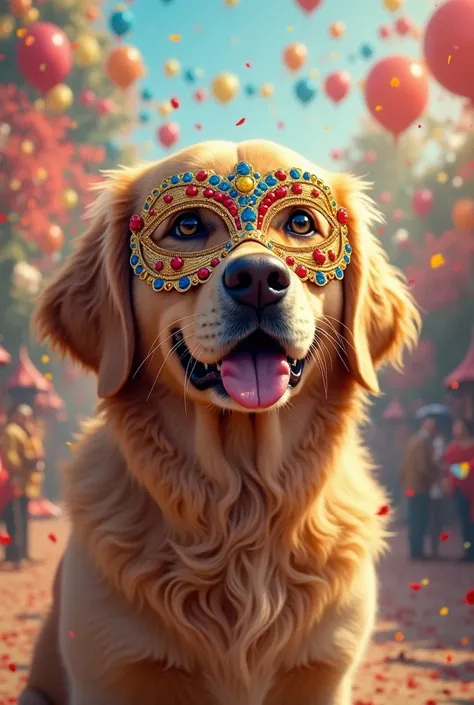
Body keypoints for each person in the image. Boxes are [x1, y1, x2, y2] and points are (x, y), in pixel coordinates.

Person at [0, 404, 45, 568]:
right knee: (14, 520)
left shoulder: (25, 432)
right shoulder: (12, 431)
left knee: (23, 520)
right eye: (24, 416)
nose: (27, 420)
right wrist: (26, 463)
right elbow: (10, 457)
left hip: (25, 483)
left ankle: (23, 553)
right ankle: (14, 555)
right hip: (14, 482)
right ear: (16, 416)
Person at [400, 416, 439, 560]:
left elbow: (404, 466)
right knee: (420, 519)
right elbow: (423, 467)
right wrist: (434, 477)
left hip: (410, 486)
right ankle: (418, 551)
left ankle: (415, 550)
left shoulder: (413, 440)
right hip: (421, 487)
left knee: (413, 519)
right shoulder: (423, 442)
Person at [443, 418, 474, 562]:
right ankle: (468, 550)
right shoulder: (452, 448)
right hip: (460, 490)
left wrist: (462, 468)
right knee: (464, 522)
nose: (456, 430)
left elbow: (456, 469)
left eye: (459, 427)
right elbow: (450, 469)